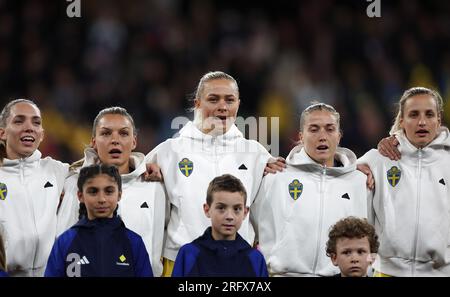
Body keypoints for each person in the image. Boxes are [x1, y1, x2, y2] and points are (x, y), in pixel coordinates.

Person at [145, 71, 283, 276]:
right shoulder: (168, 151)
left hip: (239, 263)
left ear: (238, 103)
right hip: (183, 262)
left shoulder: (256, 154)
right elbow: (126, 174)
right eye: (213, 99)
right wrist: (140, 164)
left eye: (229, 100)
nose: (222, 106)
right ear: (197, 103)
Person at [251, 102, 369, 277]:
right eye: (314, 129)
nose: (322, 136)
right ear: (301, 136)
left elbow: (374, 237)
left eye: (330, 129)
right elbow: (249, 229)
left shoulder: (359, 182)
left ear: (339, 136)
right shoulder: (276, 177)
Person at [56, 107, 167, 276]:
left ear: (134, 141)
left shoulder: (154, 186)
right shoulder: (73, 183)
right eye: (106, 133)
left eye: (123, 133)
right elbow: (61, 241)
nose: (115, 140)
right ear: (94, 141)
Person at [357, 87, 450, 277]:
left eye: (429, 114)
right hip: (387, 271)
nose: (422, 122)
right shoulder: (378, 159)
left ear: (438, 121)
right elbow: (334, 178)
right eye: (414, 114)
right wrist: (356, 168)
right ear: (402, 120)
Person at [0, 99, 69, 276]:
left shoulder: (57, 171)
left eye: (36, 122)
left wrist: (139, 165)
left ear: (42, 135)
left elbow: (102, 167)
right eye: (19, 120)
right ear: (2, 133)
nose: (29, 127)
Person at [45, 164, 153, 277]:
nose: (101, 199)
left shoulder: (134, 242)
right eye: (93, 191)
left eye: (109, 191)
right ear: (80, 196)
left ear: (119, 195)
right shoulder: (65, 242)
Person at [172, 174, 268, 277]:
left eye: (237, 209)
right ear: (207, 210)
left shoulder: (255, 259)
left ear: (245, 212)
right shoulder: (189, 254)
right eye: (221, 208)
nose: (229, 216)